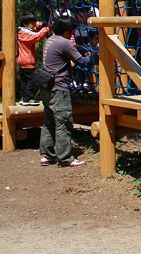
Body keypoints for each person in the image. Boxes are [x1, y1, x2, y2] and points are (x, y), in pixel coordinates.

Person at [39, 15, 91, 167]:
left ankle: (47, 155)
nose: (73, 34)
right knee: (63, 122)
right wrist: (94, 55)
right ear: (68, 31)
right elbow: (82, 62)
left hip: (47, 87)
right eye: (73, 31)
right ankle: (65, 158)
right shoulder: (64, 43)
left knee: (49, 121)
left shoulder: (50, 40)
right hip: (59, 88)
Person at [17, 13, 50, 105]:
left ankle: (23, 97)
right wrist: (46, 29)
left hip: (24, 60)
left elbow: (34, 30)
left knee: (25, 80)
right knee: (31, 80)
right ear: (25, 24)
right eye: (32, 23)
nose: (34, 24)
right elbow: (37, 36)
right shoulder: (24, 33)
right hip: (27, 60)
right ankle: (28, 98)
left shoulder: (24, 31)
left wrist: (40, 24)